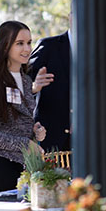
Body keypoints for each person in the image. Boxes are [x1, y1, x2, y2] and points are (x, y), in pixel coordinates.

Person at [0, 21, 48, 193]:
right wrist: (25, 144)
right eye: (20, 43)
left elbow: (17, 122)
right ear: (5, 46)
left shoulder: (26, 80)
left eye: (29, 42)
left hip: (23, 169)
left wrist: (35, 131)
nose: (27, 49)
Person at [28, 17, 71, 152]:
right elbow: (21, 84)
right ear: (70, 17)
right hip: (49, 138)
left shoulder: (95, 50)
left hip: (83, 138)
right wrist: (34, 86)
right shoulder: (48, 46)